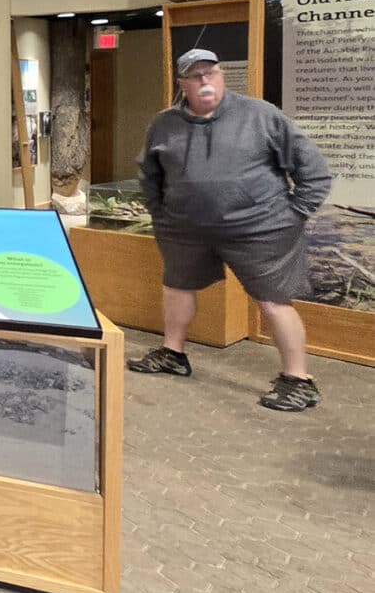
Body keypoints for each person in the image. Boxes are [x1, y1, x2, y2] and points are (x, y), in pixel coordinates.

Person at [129, 48, 332, 411]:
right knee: (176, 289)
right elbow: (150, 176)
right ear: (183, 84)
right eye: (195, 75)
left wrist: (294, 214)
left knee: (272, 302)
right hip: (185, 230)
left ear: (222, 75)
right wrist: (162, 217)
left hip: (258, 230)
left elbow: (314, 171)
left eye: (211, 72)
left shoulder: (261, 115)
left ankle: (298, 379)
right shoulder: (164, 124)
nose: (204, 80)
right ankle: (173, 354)